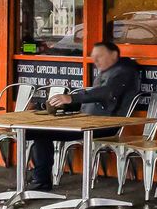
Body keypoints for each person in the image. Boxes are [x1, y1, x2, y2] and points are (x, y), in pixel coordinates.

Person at [27, 39, 144, 191]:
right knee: (34, 131)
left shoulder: (124, 72)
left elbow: (106, 93)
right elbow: (93, 99)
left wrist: (72, 98)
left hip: (105, 125)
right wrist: (65, 104)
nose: (95, 61)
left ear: (114, 55)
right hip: (86, 121)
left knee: (39, 133)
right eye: (93, 57)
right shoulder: (109, 71)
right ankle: (38, 178)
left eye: (99, 56)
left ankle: (40, 181)